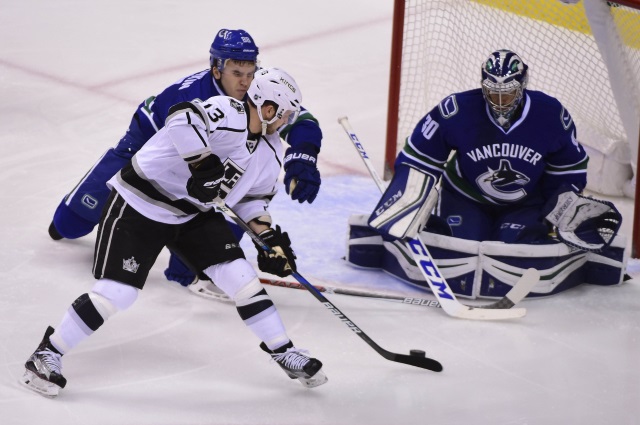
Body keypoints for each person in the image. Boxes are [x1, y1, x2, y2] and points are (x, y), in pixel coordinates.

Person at [20, 68, 328, 398]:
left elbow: (252, 201)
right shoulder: (229, 112)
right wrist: (203, 164)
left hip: (192, 214)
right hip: (141, 202)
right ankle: (46, 353)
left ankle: (283, 350)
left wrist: (268, 239)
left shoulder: (269, 153)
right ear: (268, 109)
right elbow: (181, 118)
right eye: (285, 113)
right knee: (118, 293)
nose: (287, 120)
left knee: (243, 279)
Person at [48, 28, 323, 290]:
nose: (245, 82)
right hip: (148, 142)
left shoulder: (258, 88)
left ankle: (194, 268)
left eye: (251, 73)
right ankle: (72, 218)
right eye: (237, 73)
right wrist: (201, 167)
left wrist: (303, 157)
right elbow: (170, 151)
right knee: (69, 225)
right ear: (217, 68)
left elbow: (300, 119)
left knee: (229, 190)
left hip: (203, 156)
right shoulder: (190, 96)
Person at [347, 49, 626, 298]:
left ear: (522, 86)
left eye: (508, 93)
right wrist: (408, 197)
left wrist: (561, 200)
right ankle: (432, 224)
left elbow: (568, 168)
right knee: (462, 246)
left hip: (526, 202)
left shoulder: (550, 114)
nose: (501, 100)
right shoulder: (457, 110)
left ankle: (540, 236)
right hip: (465, 196)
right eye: (493, 92)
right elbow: (418, 157)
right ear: (483, 87)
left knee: (511, 248)